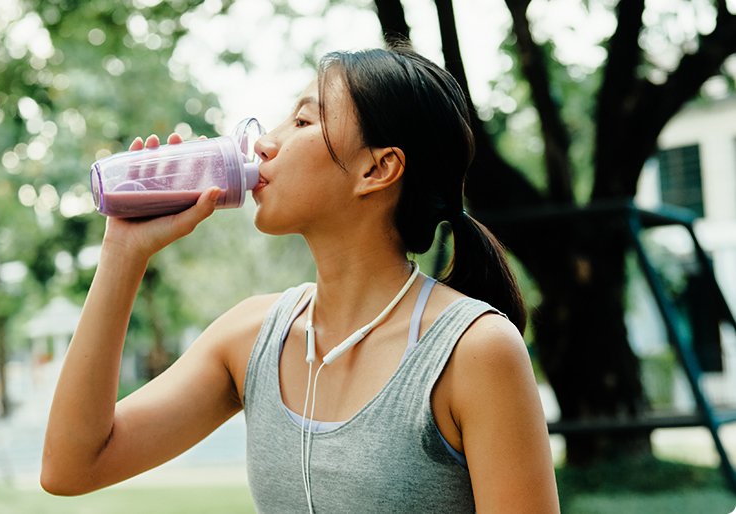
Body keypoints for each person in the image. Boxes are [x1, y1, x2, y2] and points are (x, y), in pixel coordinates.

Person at [41, 44, 560, 513]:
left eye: (304, 122)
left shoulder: (473, 351)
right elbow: (72, 467)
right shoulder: (250, 338)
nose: (265, 144)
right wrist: (122, 250)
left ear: (377, 170)